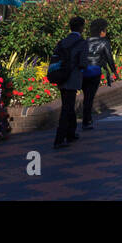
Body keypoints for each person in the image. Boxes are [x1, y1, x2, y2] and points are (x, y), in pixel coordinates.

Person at [51, 16, 88, 149]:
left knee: (69, 105)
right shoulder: (82, 43)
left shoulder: (62, 42)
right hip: (72, 78)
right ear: (81, 28)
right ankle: (59, 139)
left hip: (61, 77)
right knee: (67, 108)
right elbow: (83, 63)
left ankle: (71, 133)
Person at [82, 18, 118, 130]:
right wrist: (114, 71)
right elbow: (109, 58)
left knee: (86, 96)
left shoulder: (85, 41)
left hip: (83, 71)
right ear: (101, 31)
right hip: (95, 71)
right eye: (105, 30)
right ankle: (86, 120)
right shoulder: (104, 42)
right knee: (89, 97)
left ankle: (86, 118)